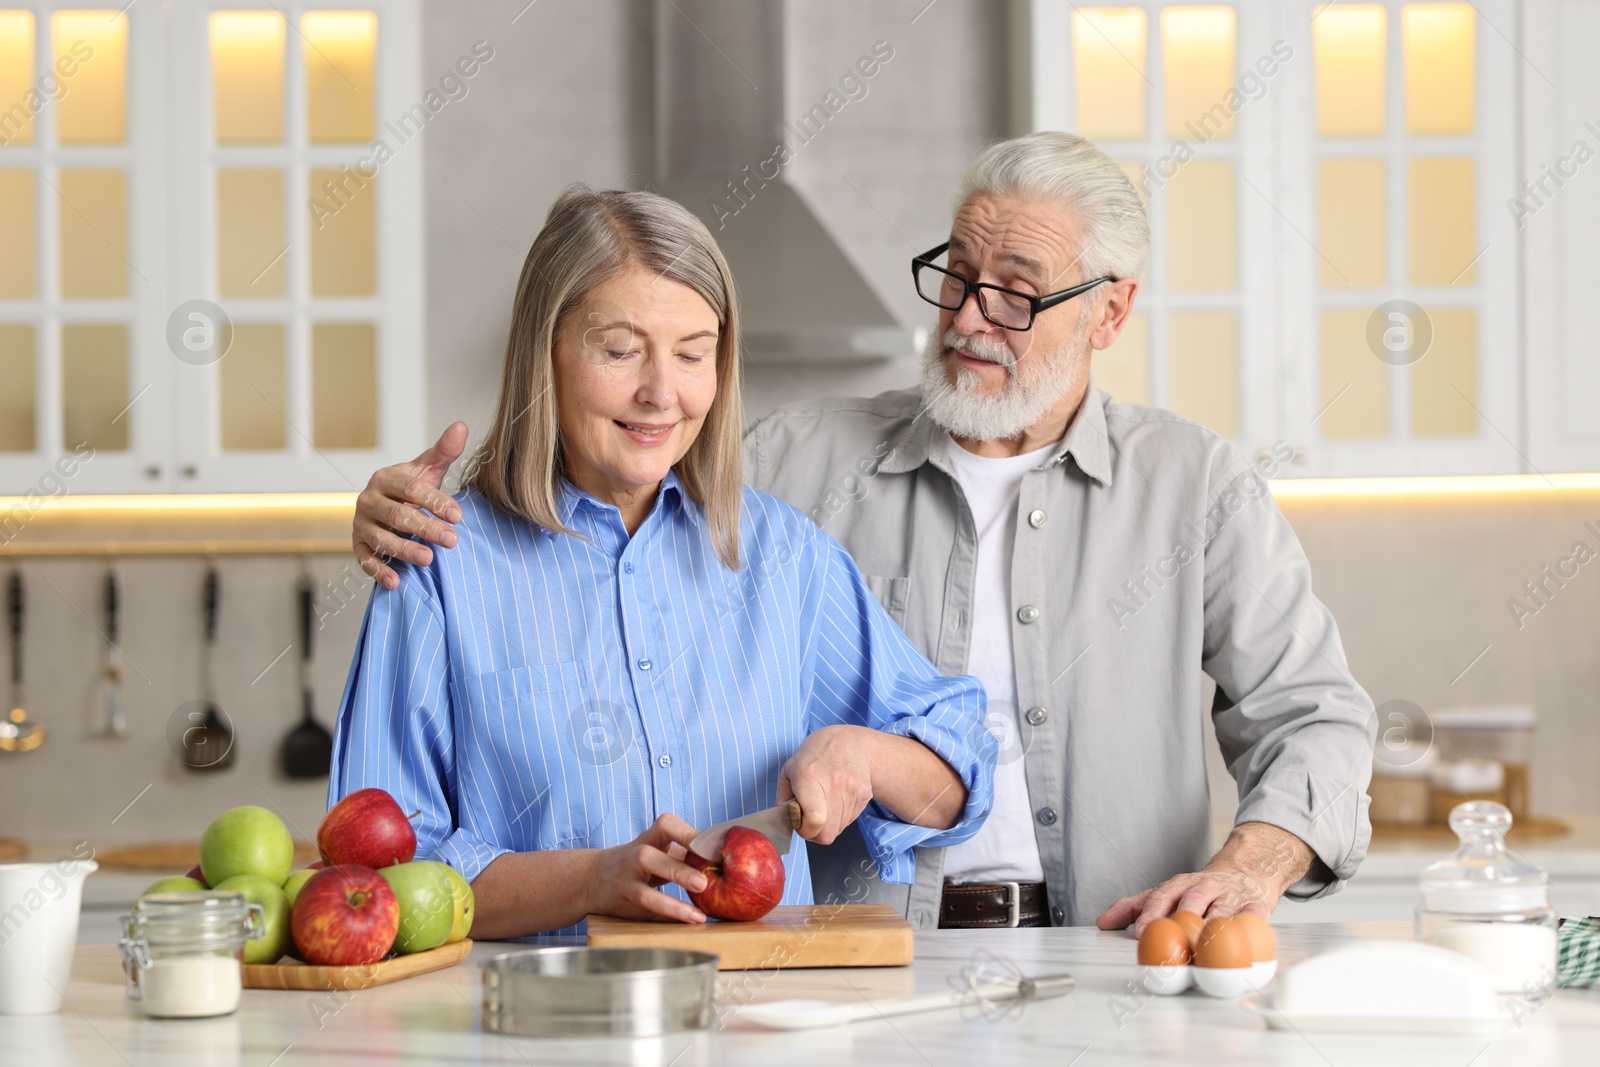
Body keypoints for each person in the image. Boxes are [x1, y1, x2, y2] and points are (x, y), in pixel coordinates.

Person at [349, 132, 1376, 934]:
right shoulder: (792, 461)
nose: (970, 314)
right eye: (957, 274)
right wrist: (393, 510)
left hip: (1103, 950)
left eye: (1016, 293)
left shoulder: (1196, 485)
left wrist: (1246, 869)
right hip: (861, 966)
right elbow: (623, 455)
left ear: (1108, 314)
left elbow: (1315, 717)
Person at [329, 187, 994, 939]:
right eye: (618, 349)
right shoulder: (436, 560)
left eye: (692, 353)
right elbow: (376, 877)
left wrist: (866, 752)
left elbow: (960, 775)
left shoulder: (780, 555)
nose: (662, 394)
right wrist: (592, 877)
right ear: (543, 351)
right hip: (535, 1030)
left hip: (761, 1032)